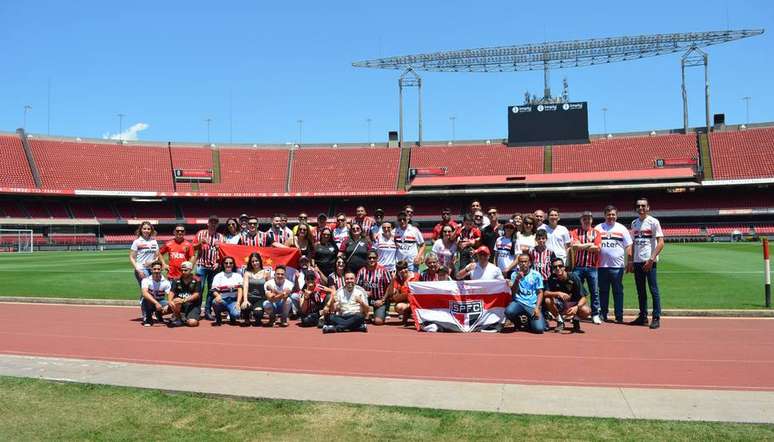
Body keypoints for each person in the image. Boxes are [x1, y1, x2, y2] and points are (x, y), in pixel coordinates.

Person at [628, 198, 665, 329]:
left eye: (643, 206)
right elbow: (632, 243)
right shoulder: (634, 223)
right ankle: (642, 316)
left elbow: (661, 243)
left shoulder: (654, 222)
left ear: (648, 207)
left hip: (649, 261)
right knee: (641, 291)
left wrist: (651, 259)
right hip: (637, 261)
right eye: (638, 206)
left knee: (653, 290)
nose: (641, 208)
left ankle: (656, 317)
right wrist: (631, 260)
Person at [595, 205, 633, 324]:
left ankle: (619, 315)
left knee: (618, 292)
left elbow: (628, 245)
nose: (611, 217)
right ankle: (603, 314)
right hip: (602, 266)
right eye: (609, 214)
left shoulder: (622, 229)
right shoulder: (598, 228)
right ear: (605, 215)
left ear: (616, 215)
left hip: (617, 267)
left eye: (613, 214)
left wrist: (629, 261)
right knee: (603, 292)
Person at [570, 211, 603, 324]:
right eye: (584, 218)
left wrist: (582, 246)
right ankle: (576, 313)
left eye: (588, 219)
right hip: (578, 267)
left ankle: (595, 314)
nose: (586, 220)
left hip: (592, 267)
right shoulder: (575, 232)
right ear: (581, 220)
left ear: (592, 220)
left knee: (594, 291)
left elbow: (598, 248)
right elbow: (574, 247)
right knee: (576, 291)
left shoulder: (596, 233)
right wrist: (590, 244)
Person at [543, 258, 591, 333]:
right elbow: (545, 293)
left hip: (574, 304)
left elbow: (584, 297)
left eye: (560, 266)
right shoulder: (552, 278)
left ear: (564, 267)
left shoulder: (573, 277)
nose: (558, 268)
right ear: (553, 269)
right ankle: (560, 321)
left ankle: (576, 319)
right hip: (560, 304)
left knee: (587, 311)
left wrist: (577, 307)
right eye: (555, 267)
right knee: (547, 300)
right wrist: (558, 293)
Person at [504, 253, 545, 334]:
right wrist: (517, 279)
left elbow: (540, 292)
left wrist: (537, 307)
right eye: (521, 262)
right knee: (508, 311)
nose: (523, 264)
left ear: (529, 263)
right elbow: (513, 293)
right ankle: (518, 322)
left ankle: (529, 322)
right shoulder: (514, 274)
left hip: (532, 305)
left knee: (539, 329)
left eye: (525, 261)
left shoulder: (536, 275)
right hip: (518, 302)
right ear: (518, 263)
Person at [193, 215, 224, 320]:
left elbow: (222, 252)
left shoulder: (220, 237)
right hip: (201, 265)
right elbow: (193, 247)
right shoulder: (201, 233)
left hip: (214, 267)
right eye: (211, 222)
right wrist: (200, 243)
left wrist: (219, 262)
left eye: (215, 223)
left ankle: (207, 311)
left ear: (217, 225)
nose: (213, 224)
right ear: (208, 223)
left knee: (211, 290)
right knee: (199, 289)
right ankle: (196, 310)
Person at [356, 250, 392, 325]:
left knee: (378, 322)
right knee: (358, 319)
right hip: (366, 300)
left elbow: (390, 286)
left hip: (379, 299)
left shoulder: (383, 270)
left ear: (377, 258)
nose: (372, 260)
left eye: (374, 258)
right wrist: (363, 292)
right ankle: (367, 315)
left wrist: (383, 300)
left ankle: (381, 313)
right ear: (366, 259)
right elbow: (357, 287)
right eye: (369, 258)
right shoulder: (362, 271)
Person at [383, 260, 419, 326]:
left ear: (407, 267)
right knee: (398, 307)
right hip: (407, 303)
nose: (403, 270)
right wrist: (393, 279)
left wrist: (404, 296)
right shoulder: (398, 280)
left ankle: (414, 316)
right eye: (400, 269)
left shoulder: (417, 276)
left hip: (417, 302)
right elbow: (392, 295)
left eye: (404, 268)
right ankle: (409, 315)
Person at [210, 256, 243, 326]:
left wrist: (238, 302)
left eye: (231, 263)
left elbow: (240, 290)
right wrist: (218, 295)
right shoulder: (218, 276)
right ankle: (218, 317)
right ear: (223, 264)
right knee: (215, 302)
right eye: (226, 263)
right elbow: (214, 290)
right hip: (223, 300)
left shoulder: (238, 275)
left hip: (233, 301)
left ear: (233, 264)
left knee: (237, 314)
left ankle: (232, 316)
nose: (228, 265)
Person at [168, 261, 201, 327]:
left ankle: (184, 317)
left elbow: (196, 294)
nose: (183, 272)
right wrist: (170, 301)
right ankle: (178, 318)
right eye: (181, 270)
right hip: (179, 304)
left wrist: (184, 300)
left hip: (192, 305)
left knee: (192, 323)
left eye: (185, 270)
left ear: (191, 269)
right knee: (175, 301)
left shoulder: (197, 280)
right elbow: (172, 292)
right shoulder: (176, 279)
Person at [240, 252, 270, 326]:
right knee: (245, 307)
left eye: (256, 261)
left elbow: (269, 288)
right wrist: (245, 300)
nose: (255, 263)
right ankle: (247, 319)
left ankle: (257, 317)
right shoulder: (247, 273)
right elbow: (245, 287)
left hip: (261, 298)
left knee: (258, 314)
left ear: (260, 261)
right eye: (252, 261)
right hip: (250, 297)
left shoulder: (266, 273)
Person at [140, 260, 172, 327]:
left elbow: (170, 295)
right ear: (151, 270)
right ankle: (148, 319)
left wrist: (169, 304)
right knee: (146, 299)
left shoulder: (166, 282)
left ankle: (159, 314)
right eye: (154, 269)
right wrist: (156, 303)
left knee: (174, 305)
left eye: (158, 269)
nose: (156, 271)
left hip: (161, 302)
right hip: (149, 303)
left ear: (161, 270)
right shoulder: (145, 280)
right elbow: (144, 293)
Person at [129, 221, 161, 286]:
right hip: (141, 269)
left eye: (148, 229)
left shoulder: (154, 241)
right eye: (144, 228)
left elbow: (157, 256)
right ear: (141, 229)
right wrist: (138, 270)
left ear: (151, 230)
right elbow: (132, 257)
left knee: (152, 290)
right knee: (147, 289)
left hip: (153, 269)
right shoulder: (137, 242)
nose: (146, 230)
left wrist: (152, 262)